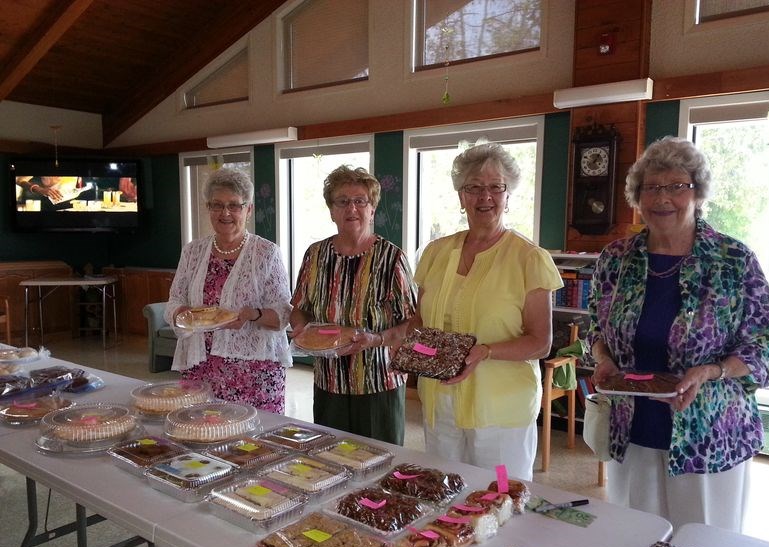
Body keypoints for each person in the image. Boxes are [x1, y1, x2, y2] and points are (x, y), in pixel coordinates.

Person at [587, 136, 769, 532]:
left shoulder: (733, 259)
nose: (663, 198)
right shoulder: (616, 259)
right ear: (638, 197)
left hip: (708, 431)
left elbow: (764, 339)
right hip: (633, 428)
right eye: (652, 187)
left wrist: (712, 371)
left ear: (697, 192)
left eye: (677, 186)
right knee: (635, 541)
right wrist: (603, 359)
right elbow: (596, 325)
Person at [411, 142, 563, 480]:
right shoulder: (436, 252)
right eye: (474, 188)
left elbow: (540, 342)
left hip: (500, 410)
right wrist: (401, 346)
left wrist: (486, 351)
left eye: (496, 187)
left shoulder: (530, 258)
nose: (485, 196)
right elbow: (419, 321)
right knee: (445, 492)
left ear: (509, 195)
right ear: (461, 196)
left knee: (499, 497)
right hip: (440, 400)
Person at [290, 165, 417, 445]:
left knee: (380, 461)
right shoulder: (315, 255)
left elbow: (413, 323)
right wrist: (301, 330)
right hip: (329, 381)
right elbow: (299, 306)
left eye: (361, 201)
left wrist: (376, 339)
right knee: (330, 458)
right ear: (332, 210)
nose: (352, 208)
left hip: (378, 382)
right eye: (343, 201)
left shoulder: (392, 258)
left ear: (372, 209)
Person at [165, 167, 292, 413]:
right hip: (200, 367)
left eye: (234, 205)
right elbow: (174, 301)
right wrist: (187, 315)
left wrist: (251, 315)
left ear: (248, 209)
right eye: (217, 205)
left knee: (251, 446)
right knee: (202, 435)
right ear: (208, 208)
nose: (225, 213)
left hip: (254, 374)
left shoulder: (266, 253)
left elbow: (282, 316)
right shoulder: (192, 251)